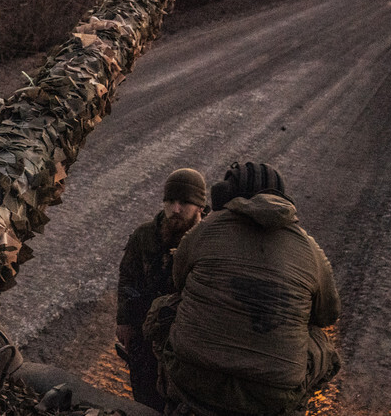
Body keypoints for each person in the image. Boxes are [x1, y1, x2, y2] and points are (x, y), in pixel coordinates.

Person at [160, 161, 341, 416]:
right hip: (269, 400)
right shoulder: (310, 249)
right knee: (321, 342)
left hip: (194, 384)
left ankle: (171, 398)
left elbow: (179, 281)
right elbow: (327, 315)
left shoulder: (205, 229)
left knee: (165, 308)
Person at [116, 167, 207, 411]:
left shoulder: (208, 241)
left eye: (184, 203)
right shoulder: (144, 235)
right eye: (170, 201)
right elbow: (128, 277)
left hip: (185, 340)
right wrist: (124, 321)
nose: (175, 209)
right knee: (145, 400)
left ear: (200, 207)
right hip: (145, 334)